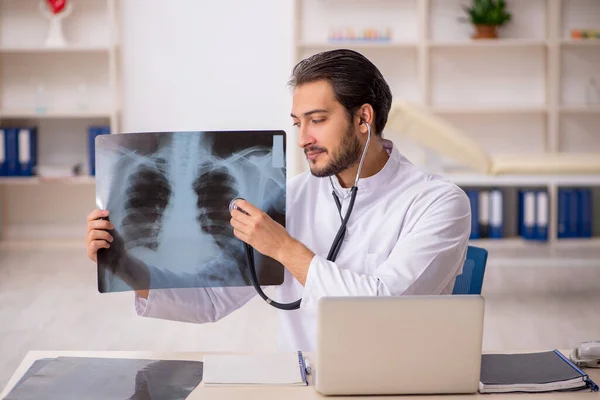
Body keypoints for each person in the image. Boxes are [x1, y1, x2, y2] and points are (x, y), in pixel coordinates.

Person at [85, 49, 472, 352]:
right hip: (301, 386)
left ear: (363, 119)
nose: (302, 139)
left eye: (317, 120)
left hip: (394, 387)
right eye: (297, 123)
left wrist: (285, 249)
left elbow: (384, 308)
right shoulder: (291, 197)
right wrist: (123, 264)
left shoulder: (437, 203)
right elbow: (211, 300)